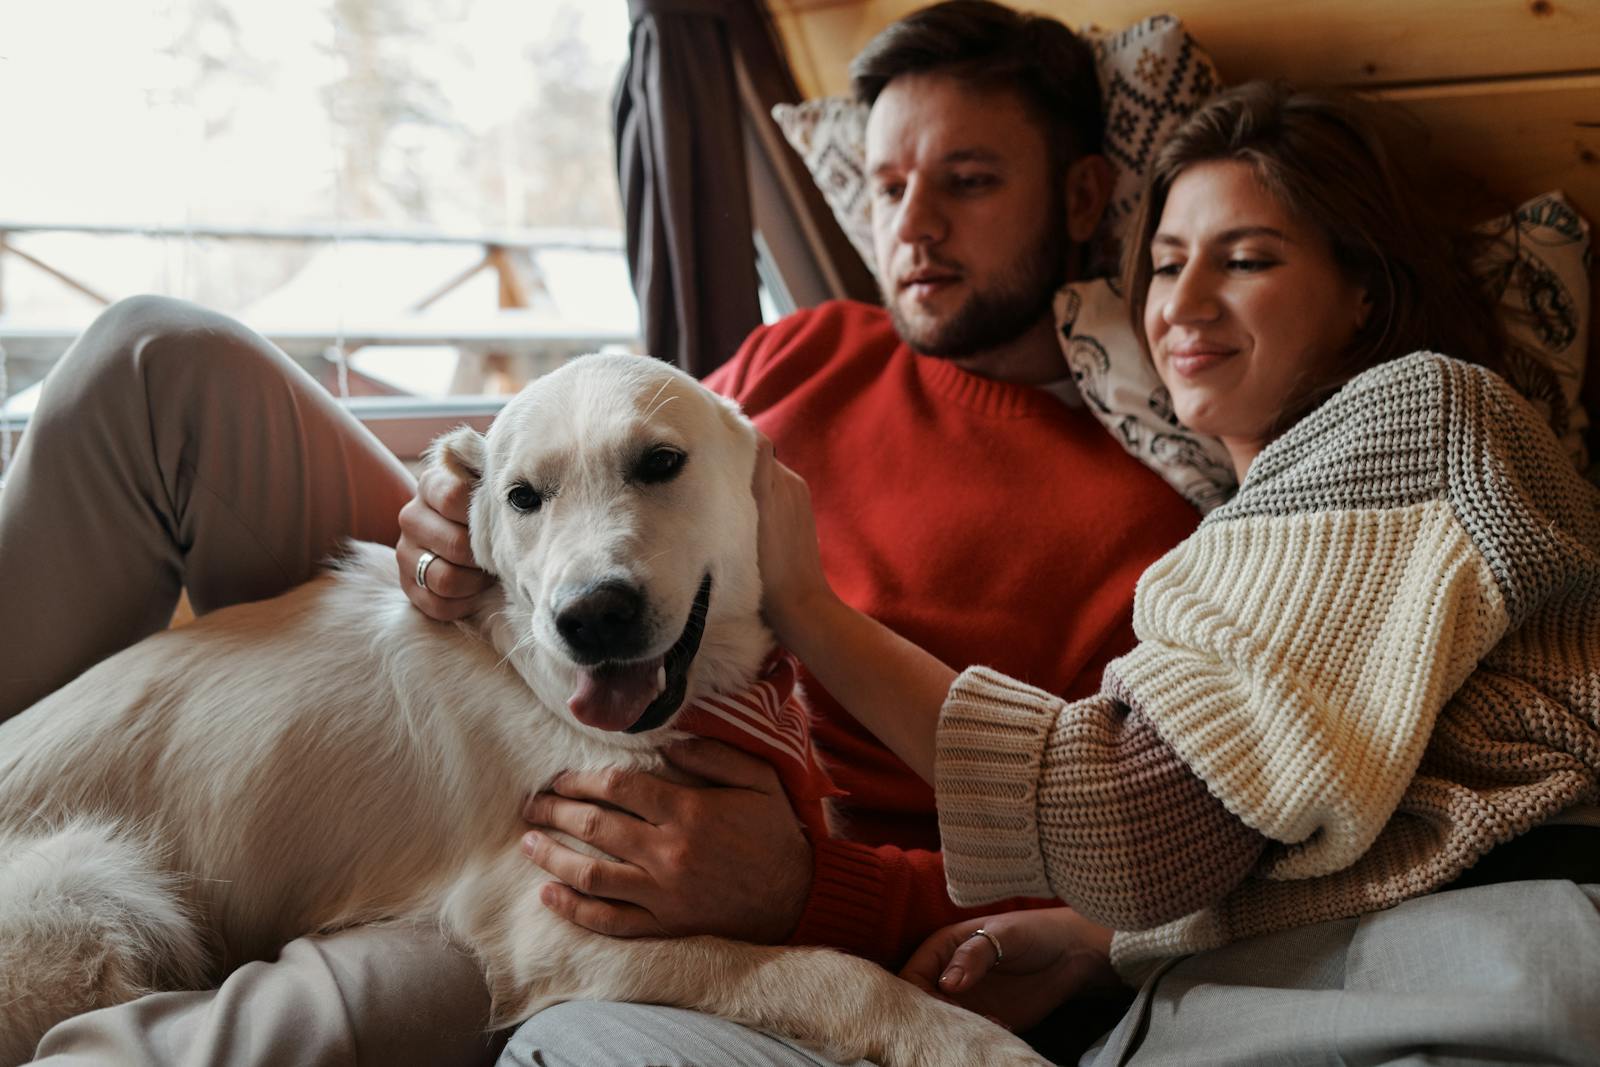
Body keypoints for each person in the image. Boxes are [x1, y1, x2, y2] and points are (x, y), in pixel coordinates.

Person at [0, 2, 1198, 1064]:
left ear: (1084, 195)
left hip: (683, 820)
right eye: (888, 187)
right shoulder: (813, 343)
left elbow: (1106, 847)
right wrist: (452, 514)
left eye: (970, 181)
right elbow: (597, 470)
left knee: (398, 997)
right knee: (160, 359)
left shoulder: (1144, 519)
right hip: (511, 661)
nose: (916, 226)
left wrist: (814, 886)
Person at [719, 82, 1600, 1064]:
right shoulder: (1223, 536)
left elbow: (1136, 823)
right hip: (1298, 971)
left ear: (1364, 293)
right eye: (1167, 264)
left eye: (1247, 260)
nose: (1178, 305)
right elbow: (1293, 823)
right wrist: (1102, 947)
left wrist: (805, 605)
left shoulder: (1422, 415)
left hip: (1488, 955)